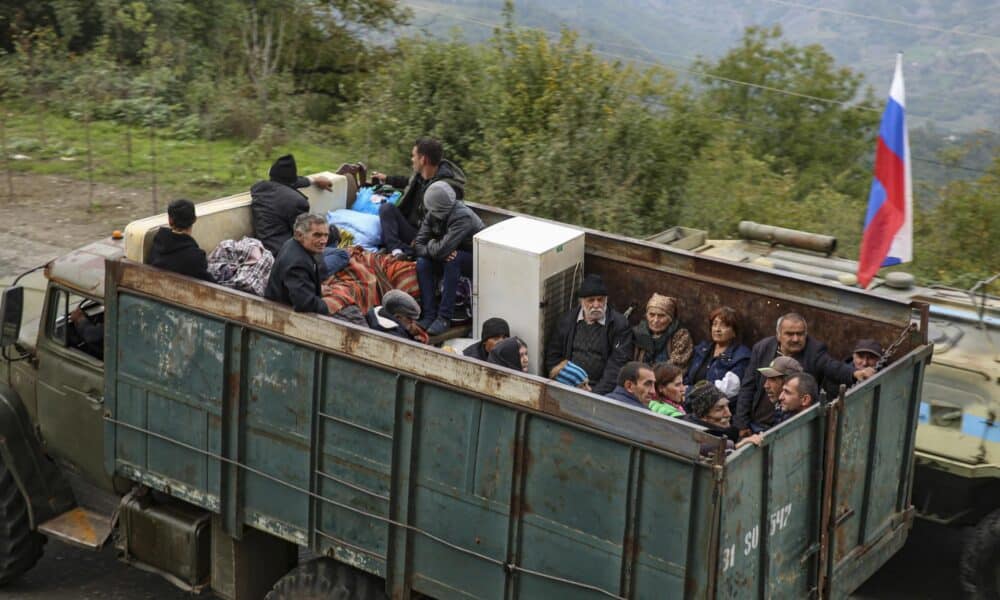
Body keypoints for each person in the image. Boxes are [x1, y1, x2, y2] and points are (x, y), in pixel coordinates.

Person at [734, 312, 874, 437]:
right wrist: (742, 423)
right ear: (778, 335)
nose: (795, 339)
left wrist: (855, 373)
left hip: (788, 428)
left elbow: (831, 366)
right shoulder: (762, 348)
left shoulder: (814, 351)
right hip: (756, 423)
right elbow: (748, 386)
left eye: (800, 334)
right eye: (789, 334)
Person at [371, 138, 467, 255]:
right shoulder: (420, 176)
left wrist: (423, 240)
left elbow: (447, 224)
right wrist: (387, 178)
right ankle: (396, 250)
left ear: (423, 159)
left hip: (427, 237)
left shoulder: (443, 189)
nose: (412, 159)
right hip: (410, 228)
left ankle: (404, 251)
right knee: (386, 208)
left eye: (414, 156)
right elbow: (408, 182)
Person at [413, 181, 484, 336]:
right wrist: (435, 247)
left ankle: (444, 317)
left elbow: (442, 250)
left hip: (476, 260)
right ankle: (429, 314)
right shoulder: (433, 214)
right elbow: (418, 244)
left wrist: (432, 245)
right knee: (422, 263)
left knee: (453, 258)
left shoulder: (462, 217)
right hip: (447, 254)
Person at [544, 274, 634, 395]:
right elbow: (553, 357)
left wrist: (594, 395)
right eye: (591, 300)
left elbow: (617, 366)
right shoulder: (566, 321)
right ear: (581, 301)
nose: (596, 305)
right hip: (569, 386)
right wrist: (566, 385)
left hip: (602, 391)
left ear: (606, 300)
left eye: (600, 299)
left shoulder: (619, 325)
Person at [251, 154, 333, 256]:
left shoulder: (258, 188)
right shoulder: (297, 202)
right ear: (292, 180)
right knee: (339, 250)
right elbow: (303, 236)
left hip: (263, 248)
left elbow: (290, 182)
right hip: (284, 253)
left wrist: (313, 180)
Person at [264, 213, 330, 315]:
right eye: (317, 235)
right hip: (282, 315)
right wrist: (328, 307)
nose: (323, 241)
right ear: (299, 235)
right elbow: (305, 303)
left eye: (326, 235)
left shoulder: (293, 244)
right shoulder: (297, 263)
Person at [685, 306, 751, 398]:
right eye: (714, 324)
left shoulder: (741, 356)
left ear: (734, 332)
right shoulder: (702, 349)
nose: (717, 329)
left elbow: (726, 389)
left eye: (724, 326)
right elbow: (687, 377)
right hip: (688, 400)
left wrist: (690, 391)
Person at [684, 381, 762, 453]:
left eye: (727, 406)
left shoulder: (725, 432)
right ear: (703, 416)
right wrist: (738, 445)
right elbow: (701, 447)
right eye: (719, 409)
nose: (728, 414)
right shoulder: (688, 431)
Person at [148, 199, 214, 282]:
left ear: (170, 220)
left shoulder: (158, 242)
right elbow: (209, 283)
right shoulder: (196, 256)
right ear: (194, 219)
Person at [633, 293, 693, 368]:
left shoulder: (681, 336)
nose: (655, 320)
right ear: (646, 315)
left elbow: (676, 366)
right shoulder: (638, 332)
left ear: (670, 319)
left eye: (661, 316)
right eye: (652, 314)